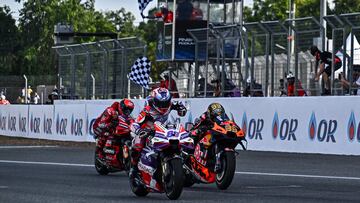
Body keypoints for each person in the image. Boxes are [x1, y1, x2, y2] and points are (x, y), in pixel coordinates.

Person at [129, 87, 187, 178]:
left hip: (164, 128)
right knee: (137, 146)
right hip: (148, 129)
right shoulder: (147, 109)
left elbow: (182, 112)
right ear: (155, 101)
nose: (164, 106)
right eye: (161, 103)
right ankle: (133, 168)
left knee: (180, 140)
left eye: (166, 103)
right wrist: (139, 130)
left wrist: (182, 109)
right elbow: (135, 123)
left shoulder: (171, 104)